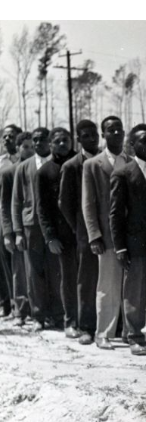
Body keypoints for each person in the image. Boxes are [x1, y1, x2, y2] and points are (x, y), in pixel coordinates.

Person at [110, 124, 146, 356]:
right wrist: (120, 247)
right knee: (134, 292)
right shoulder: (123, 173)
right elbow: (115, 213)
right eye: (144, 141)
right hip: (135, 244)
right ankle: (134, 335)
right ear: (132, 145)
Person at [82, 116, 132, 349]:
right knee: (107, 286)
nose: (116, 134)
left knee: (130, 287)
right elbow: (88, 204)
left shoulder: (131, 162)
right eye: (111, 130)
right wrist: (94, 235)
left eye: (119, 129)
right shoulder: (92, 165)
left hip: (130, 237)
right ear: (103, 135)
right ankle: (103, 333)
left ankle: (129, 332)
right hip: (107, 237)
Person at [12, 127, 64, 332]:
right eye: (34, 140)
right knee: (34, 272)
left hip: (52, 227)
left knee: (56, 271)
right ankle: (38, 316)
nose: (38, 143)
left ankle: (58, 315)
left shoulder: (58, 165)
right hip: (31, 226)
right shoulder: (23, 167)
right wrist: (17, 232)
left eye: (42, 139)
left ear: (49, 142)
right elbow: (16, 201)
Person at [59, 120, 101, 345]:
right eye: (86, 136)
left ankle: (114, 324)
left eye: (94, 134)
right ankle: (86, 326)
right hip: (84, 231)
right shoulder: (72, 166)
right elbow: (64, 204)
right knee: (86, 279)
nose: (92, 139)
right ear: (79, 139)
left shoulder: (107, 160)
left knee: (110, 278)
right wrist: (78, 228)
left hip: (108, 230)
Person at [36, 127, 78, 338]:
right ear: (51, 144)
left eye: (66, 140)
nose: (63, 144)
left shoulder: (81, 164)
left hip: (83, 231)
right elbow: (42, 208)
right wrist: (50, 236)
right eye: (58, 141)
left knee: (87, 279)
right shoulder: (45, 172)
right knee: (68, 279)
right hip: (62, 235)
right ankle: (70, 321)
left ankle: (89, 320)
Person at [1, 130, 32, 326]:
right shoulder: (9, 171)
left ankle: (38, 310)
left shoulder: (38, 167)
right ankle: (19, 310)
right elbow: (5, 205)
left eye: (31, 146)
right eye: (25, 147)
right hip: (16, 227)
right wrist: (7, 232)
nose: (29, 150)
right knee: (18, 270)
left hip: (34, 226)